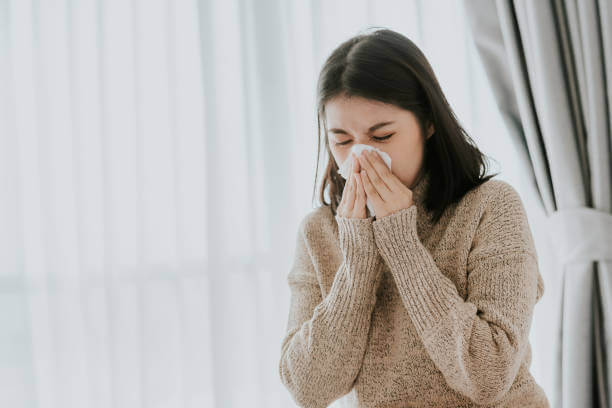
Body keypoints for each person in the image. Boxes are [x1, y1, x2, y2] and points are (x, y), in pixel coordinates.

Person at [278, 27, 549, 407]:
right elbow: (309, 387)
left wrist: (402, 243)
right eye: (342, 141)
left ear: (428, 123)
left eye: (382, 136)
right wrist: (358, 257)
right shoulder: (320, 232)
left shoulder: (491, 207)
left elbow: (489, 375)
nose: (362, 158)